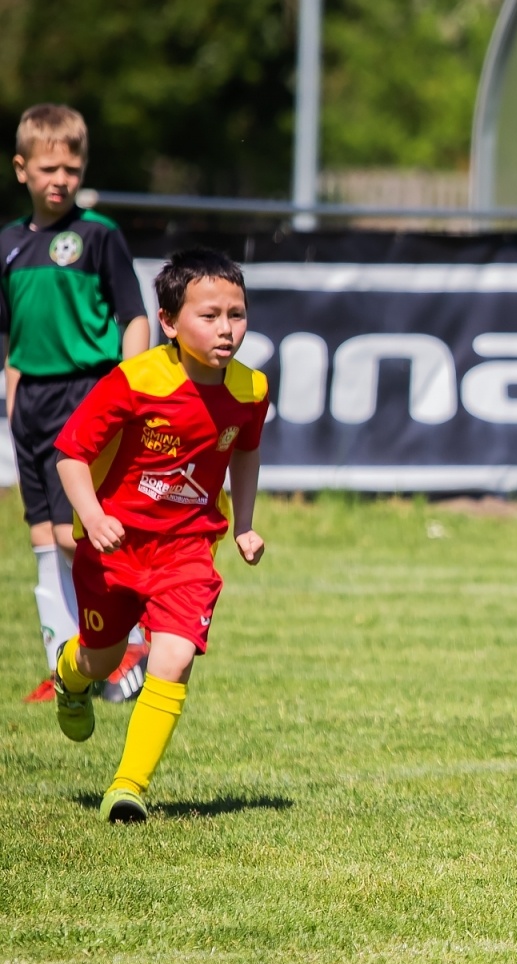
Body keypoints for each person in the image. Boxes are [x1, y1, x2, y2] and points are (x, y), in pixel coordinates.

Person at [50, 248, 268, 824]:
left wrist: (243, 524)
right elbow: (71, 455)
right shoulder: (136, 381)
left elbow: (246, 451)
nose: (226, 329)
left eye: (237, 315)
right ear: (169, 322)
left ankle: (128, 788)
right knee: (104, 660)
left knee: (173, 658)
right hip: (115, 548)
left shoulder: (250, 391)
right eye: (210, 315)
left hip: (188, 550)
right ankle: (70, 678)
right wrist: (94, 517)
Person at [3, 103, 151, 704]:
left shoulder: (98, 236)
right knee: (43, 535)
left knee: (78, 533)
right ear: (22, 170)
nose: (60, 178)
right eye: (47, 167)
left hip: (86, 392)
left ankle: (126, 651)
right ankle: (65, 669)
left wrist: (132, 386)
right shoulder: (9, 246)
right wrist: (11, 386)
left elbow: (133, 315)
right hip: (30, 400)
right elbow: (10, 332)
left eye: (71, 165)